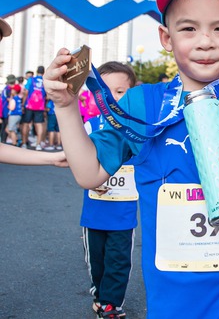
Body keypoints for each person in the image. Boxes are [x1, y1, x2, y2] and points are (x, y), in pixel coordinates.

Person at [44, 0, 219, 318]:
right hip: (176, 292)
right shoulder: (141, 104)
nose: (205, 41)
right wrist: (66, 106)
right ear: (166, 37)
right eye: (188, 28)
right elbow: (89, 174)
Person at [80, 62, 138, 318]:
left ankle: (111, 304)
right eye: (106, 90)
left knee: (119, 260)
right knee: (97, 262)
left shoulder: (139, 129)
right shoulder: (89, 126)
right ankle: (99, 294)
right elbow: (78, 163)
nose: (113, 97)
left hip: (124, 211)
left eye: (121, 91)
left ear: (132, 93)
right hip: (94, 210)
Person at [0, 17, 66, 166]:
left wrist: (53, 158)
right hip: (39, 108)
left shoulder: (31, 81)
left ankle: (31, 143)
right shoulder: (39, 81)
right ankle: (36, 143)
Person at [22, 65, 47, 150]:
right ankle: (38, 144)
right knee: (39, 125)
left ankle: (24, 143)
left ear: (37, 71)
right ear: (44, 72)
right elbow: (47, 96)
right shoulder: (45, 81)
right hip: (40, 107)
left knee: (26, 124)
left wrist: (23, 104)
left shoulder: (31, 79)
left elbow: (26, 92)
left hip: (29, 105)